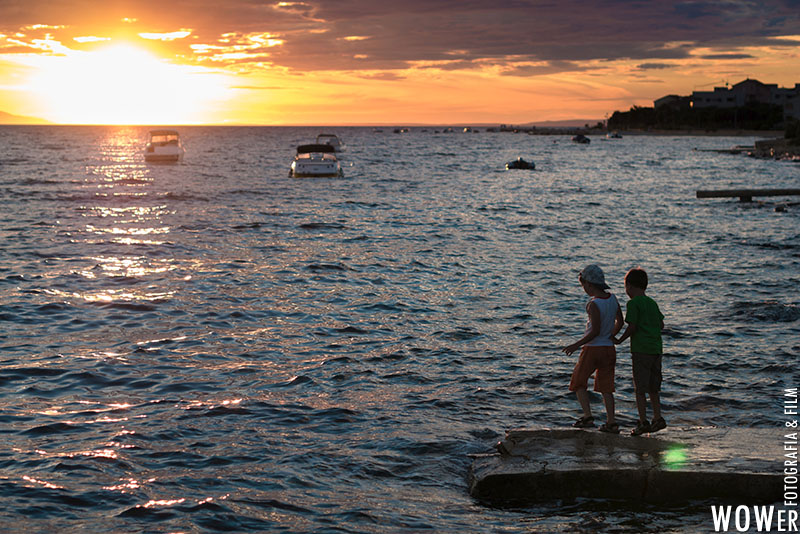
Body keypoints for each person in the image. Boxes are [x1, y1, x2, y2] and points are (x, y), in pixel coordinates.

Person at [562, 264, 624, 433]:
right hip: (609, 349)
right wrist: (612, 335)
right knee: (606, 387)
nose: (584, 289)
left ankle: (588, 416)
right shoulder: (612, 298)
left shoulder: (593, 304)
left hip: (592, 349)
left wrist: (576, 345)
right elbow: (621, 321)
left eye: (583, 286)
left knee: (578, 382)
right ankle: (611, 422)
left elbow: (594, 331)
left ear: (589, 284)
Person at [613, 267, 666, 436]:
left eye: (625, 287)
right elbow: (661, 325)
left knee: (640, 389)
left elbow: (632, 327)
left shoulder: (633, 303)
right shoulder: (652, 303)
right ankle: (657, 418)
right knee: (653, 388)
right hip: (656, 350)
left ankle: (642, 422)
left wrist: (619, 340)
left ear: (629, 286)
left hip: (641, 350)